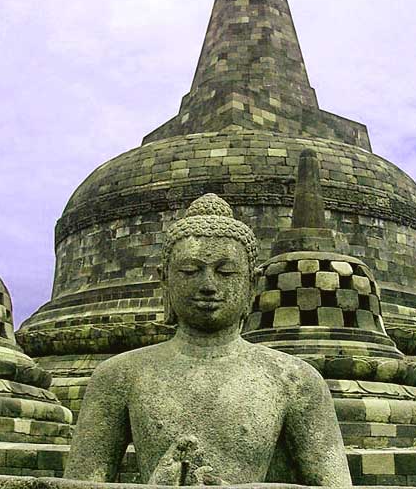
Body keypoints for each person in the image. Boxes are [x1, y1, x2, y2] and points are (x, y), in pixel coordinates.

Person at [64, 194, 351, 486]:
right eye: (190, 271)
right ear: (165, 280)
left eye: (225, 272)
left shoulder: (294, 379)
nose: (208, 286)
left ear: (251, 283)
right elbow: (79, 484)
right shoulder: (119, 376)